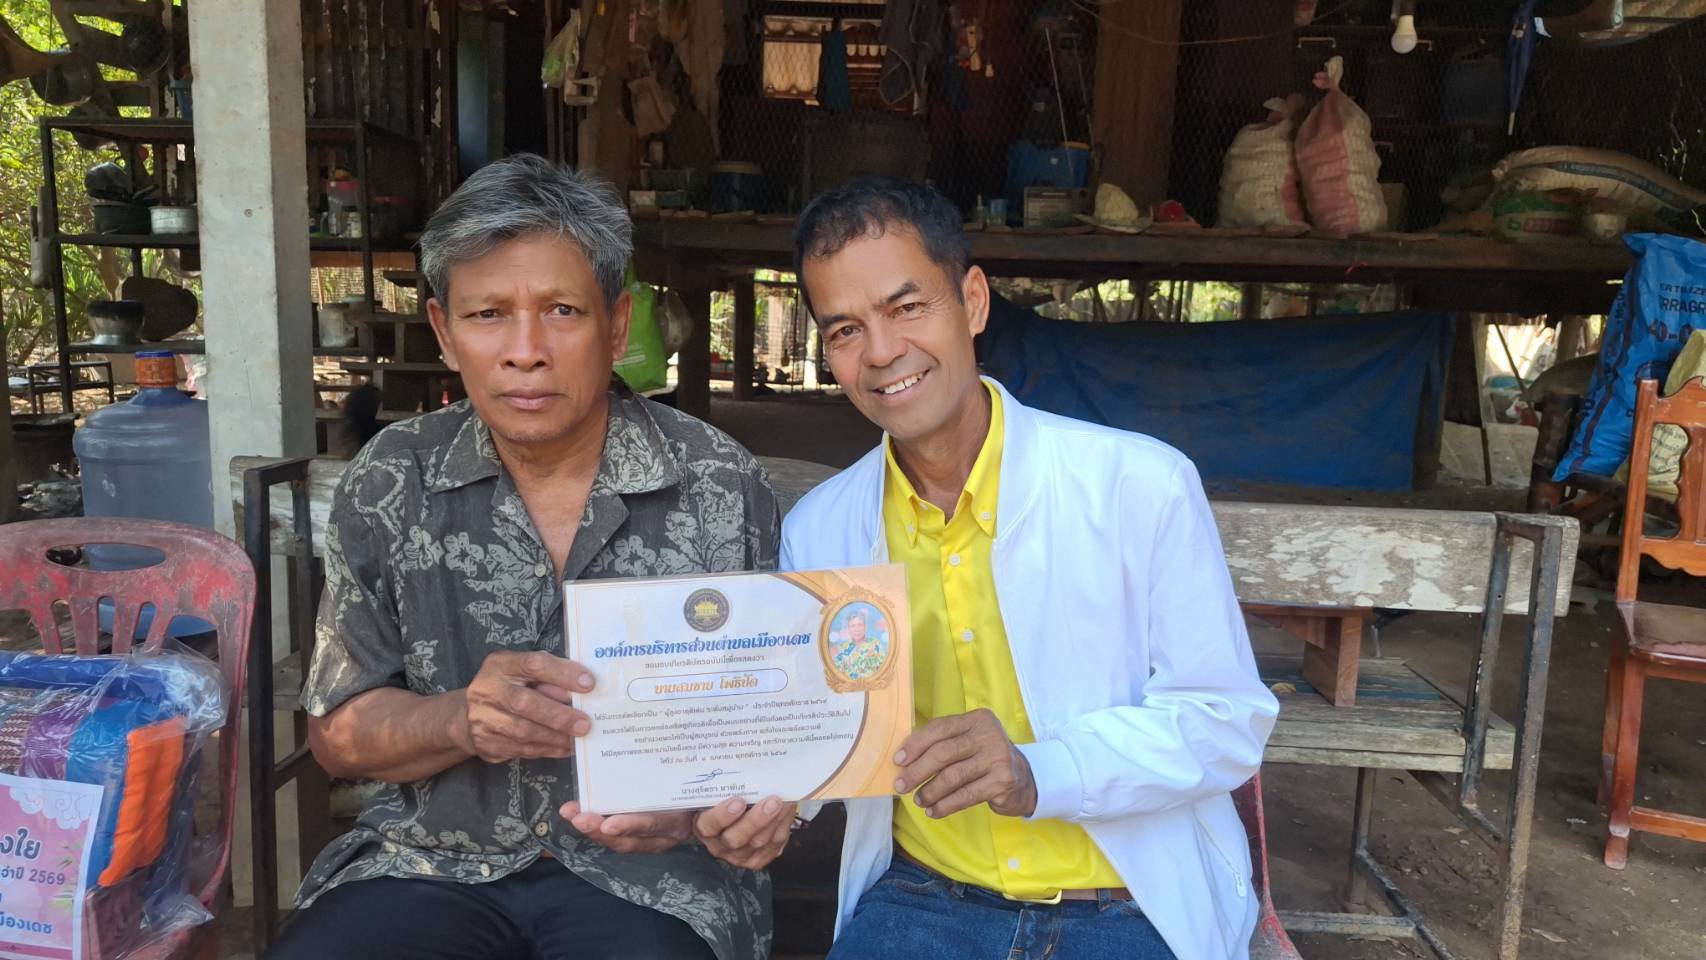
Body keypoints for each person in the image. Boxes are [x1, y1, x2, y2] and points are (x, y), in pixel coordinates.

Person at [265, 154, 783, 960]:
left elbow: (768, 721)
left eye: (562, 310)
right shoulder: (393, 480)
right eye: (488, 315)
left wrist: (700, 812)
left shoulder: (717, 481)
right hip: (430, 859)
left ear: (617, 326)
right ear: (444, 332)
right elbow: (338, 733)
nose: (525, 351)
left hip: (652, 876)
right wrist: (460, 720)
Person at [757, 176, 1280, 960]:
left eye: (907, 307)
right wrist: (771, 805)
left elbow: (1225, 721)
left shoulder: (1139, 486)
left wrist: (1039, 772)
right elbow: (826, 733)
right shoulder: (823, 529)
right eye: (845, 330)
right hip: (925, 898)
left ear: (972, 302)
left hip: (1128, 905)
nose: (882, 352)